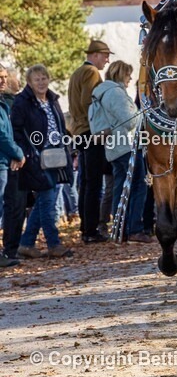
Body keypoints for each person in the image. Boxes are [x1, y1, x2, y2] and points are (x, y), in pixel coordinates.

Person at [12, 65, 74, 259]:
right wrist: (28, 154)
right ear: (29, 82)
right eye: (37, 79)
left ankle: (26, 243)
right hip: (36, 158)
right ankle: (53, 243)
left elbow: (60, 126)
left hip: (56, 157)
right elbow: (17, 131)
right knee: (47, 199)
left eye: (44, 78)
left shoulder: (53, 99)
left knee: (44, 201)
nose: (41, 82)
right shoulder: (22, 102)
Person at [89, 60, 151, 242]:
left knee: (121, 187)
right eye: (128, 74)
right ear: (120, 74)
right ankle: (133, 228)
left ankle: (119, 229)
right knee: (138, 186)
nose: (130, 78)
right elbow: (130, 121)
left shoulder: (103, 92)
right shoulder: (115, 93)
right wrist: (143, 113)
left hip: (115, 147)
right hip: (127, 146)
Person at [68, 39, 112, 243]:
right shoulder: (92, 72)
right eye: (105, 55)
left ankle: (86, 227)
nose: (107, 60)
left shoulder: (77, 72)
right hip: (91, 131)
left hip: (79, 130)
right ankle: (90, 231)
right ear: (94, 55)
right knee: (93, 183)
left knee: (86, 182)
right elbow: (90, 101)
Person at [0, 64, 24, 267]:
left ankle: (7, 251)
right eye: (0, 77)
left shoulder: (4, 103)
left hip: (6, 160)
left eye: (5, 77)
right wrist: (17, 152)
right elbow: (2, 135)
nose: (3, 81)